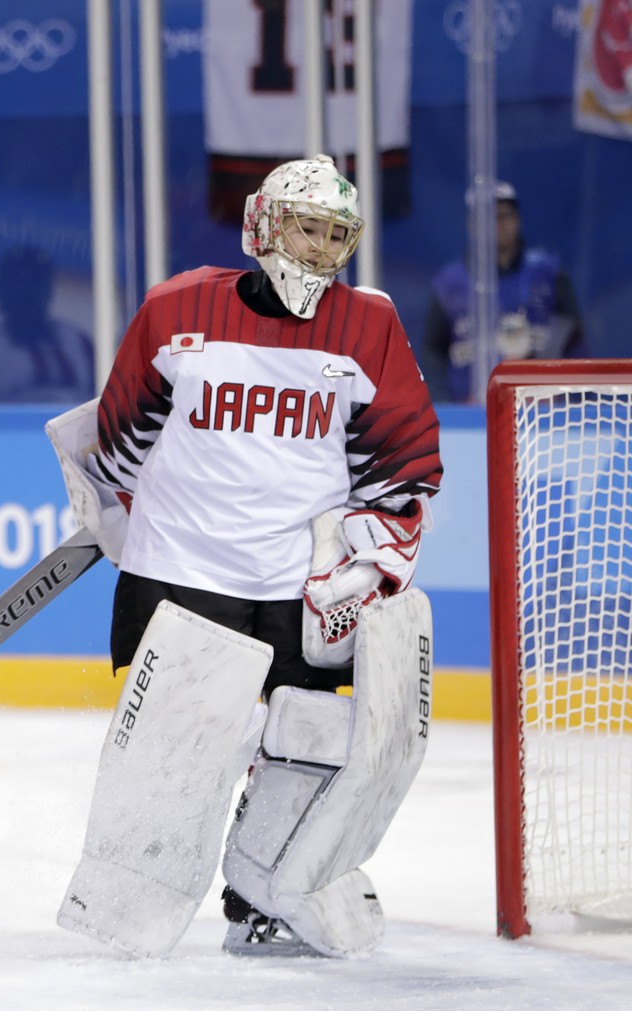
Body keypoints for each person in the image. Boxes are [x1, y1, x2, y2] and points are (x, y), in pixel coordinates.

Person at [52, 154, 442, 959]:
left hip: (297, 587)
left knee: (304, 745)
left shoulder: (369, 326)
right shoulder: (175, 309)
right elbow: (122, 443)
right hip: (177, 575)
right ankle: (126, 899)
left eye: (340, 235)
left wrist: (365, 567)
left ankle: (257, 898)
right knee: (175, 752)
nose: (323, 248)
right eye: (308, 226)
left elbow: (402, 469)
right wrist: (117, 510)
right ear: (263, 225)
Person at [421, 181, 586, 403]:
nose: (498, 224)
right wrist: (446, 407)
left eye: (505, 215)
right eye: (488, 217)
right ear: (472, 224)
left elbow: (574, 342)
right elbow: (433, 353)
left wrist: (570, 400)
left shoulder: (548, 273)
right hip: (469, 418)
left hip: (545, 414)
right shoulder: (449, 283)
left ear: (518, 220)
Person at [0, 243, 94, 405]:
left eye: (35, 285)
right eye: (17, 287)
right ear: (0, 292)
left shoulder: (77, 341)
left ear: (48, 291)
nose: (27, 296)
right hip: (4, 429)